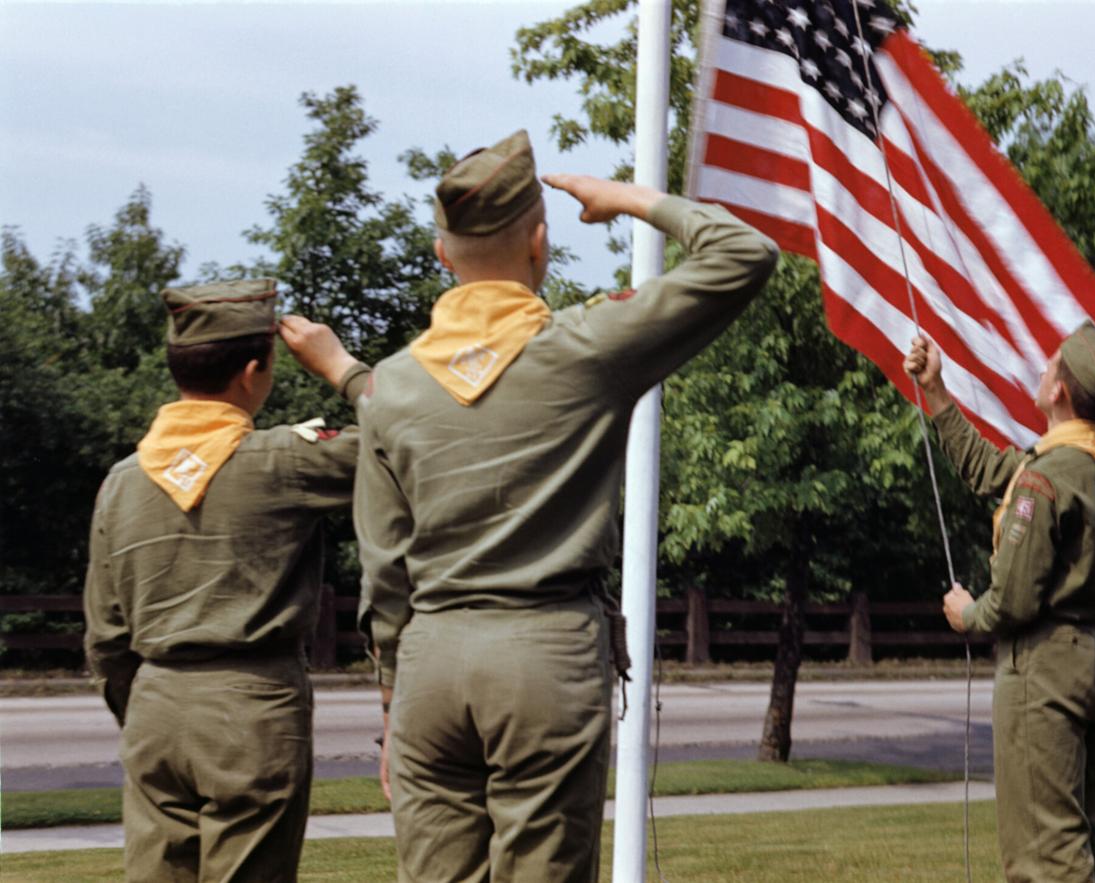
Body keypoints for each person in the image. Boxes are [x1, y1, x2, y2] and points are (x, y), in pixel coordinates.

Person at [354, 129, 778, 882]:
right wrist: (631, 199)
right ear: (540, 242)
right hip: (545, 654)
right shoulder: (584, 348)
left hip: (429, 662)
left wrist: (394, 705)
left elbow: (385, 570)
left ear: (441, 253)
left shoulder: (390, 387)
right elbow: (743, 254)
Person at [82, 278, 370, 882]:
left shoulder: (121, 481)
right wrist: (343, 370)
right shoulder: (283, 459)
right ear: (252, 370)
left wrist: (143, 711)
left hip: (154, 704)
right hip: (251, 702)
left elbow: (105, 636)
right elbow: (415, 442)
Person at [904, 324, 1095, 882]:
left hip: (1045, 668)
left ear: (1060, 391)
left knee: (1045, 858)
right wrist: (936, 393)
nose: (1040, 368)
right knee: (1079, 839)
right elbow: (988, 469)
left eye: (1049, 363)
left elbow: (1012, 600)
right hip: (1089, 656)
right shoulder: (1092, 460)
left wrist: (969, 614)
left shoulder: (1047, 480)